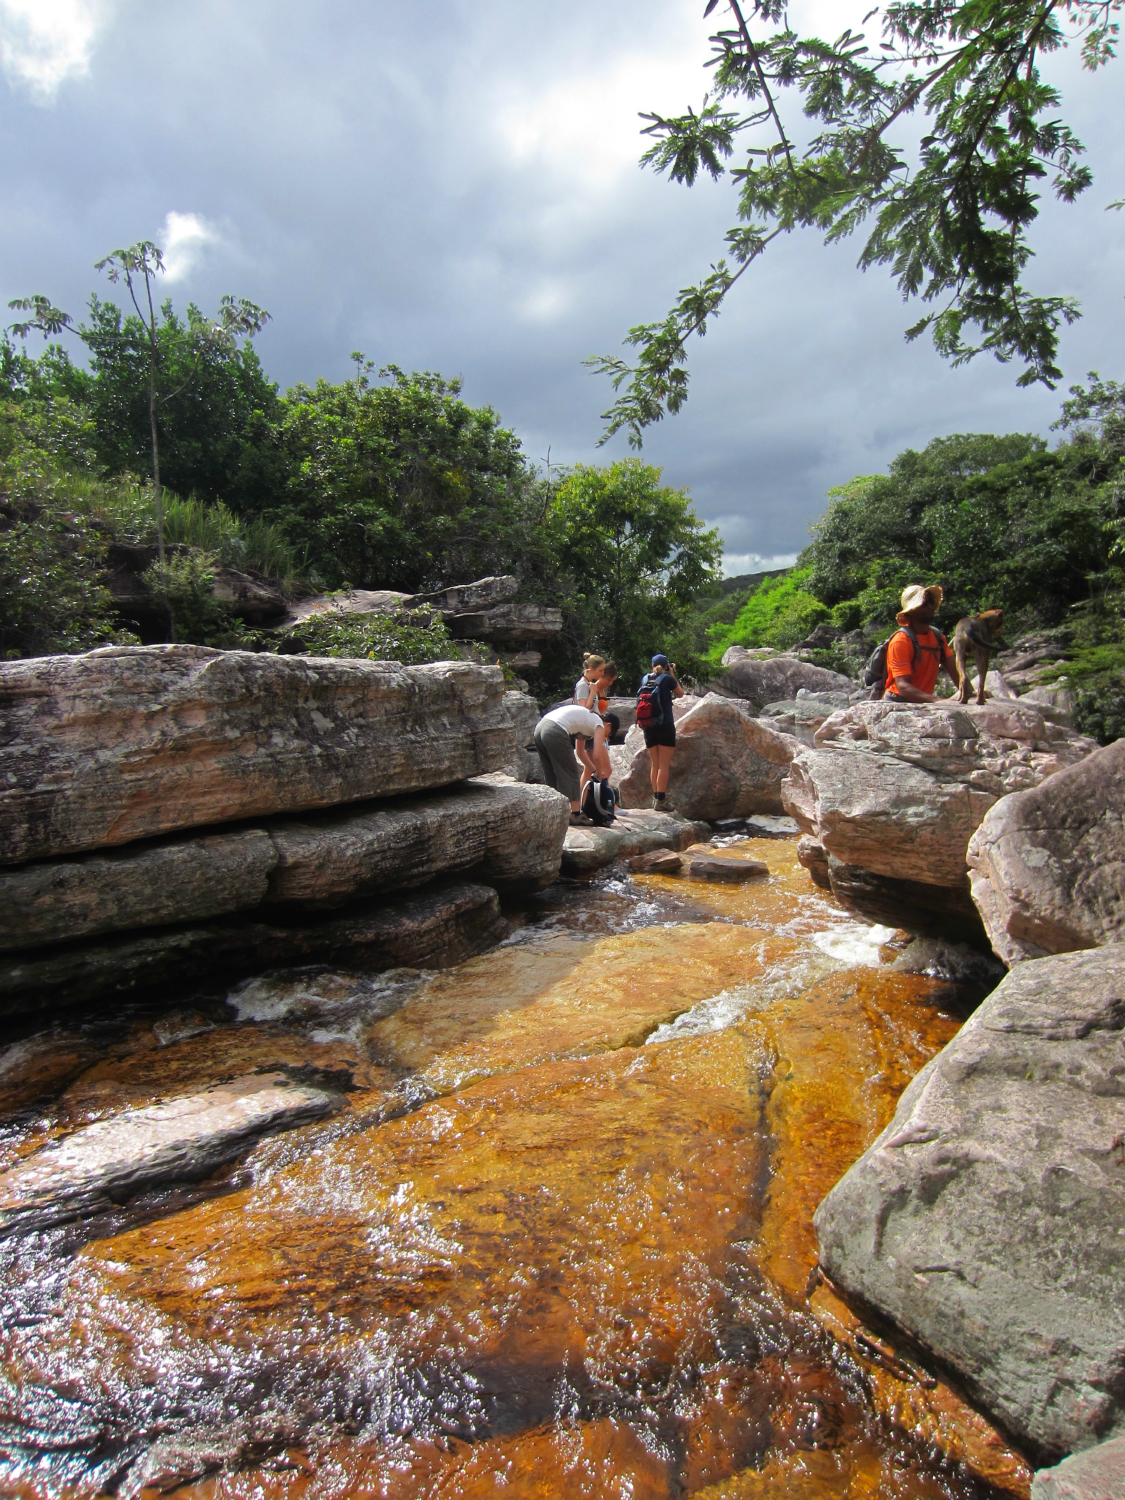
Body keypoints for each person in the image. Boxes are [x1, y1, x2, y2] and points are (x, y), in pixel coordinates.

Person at [534, 701, 611, 824]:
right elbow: (597, 756)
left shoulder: (586, 720)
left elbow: (580, 752)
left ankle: (553, 809)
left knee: (551, 772)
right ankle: (574, 814)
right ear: (608, 725)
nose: (606, 738)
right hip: (555, 729)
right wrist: (600, 775)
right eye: (609, 734)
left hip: (540, 727)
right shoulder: (599, 725)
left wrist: (594, 770)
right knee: (571, 772)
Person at [883, 585, 959, 702]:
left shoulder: (938, 637)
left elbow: (955, 672)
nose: (930, 606)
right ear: (911, 611)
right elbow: (902, 686)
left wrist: (971, 692)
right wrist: (938, 701)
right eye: (924, 603)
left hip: (922, 702)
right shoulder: (901, 641)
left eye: (931, 602)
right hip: (898, 702)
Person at [638, 654, 683, 809]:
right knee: (664, 765)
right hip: (665, 725)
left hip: (648, 725)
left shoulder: (645, 679)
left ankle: (655, 797)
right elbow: (680, 693)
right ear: (665, 666)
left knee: (655, 764)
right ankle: (661, 801)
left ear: (652, 665)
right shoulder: (668, 679)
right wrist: (672, 673)